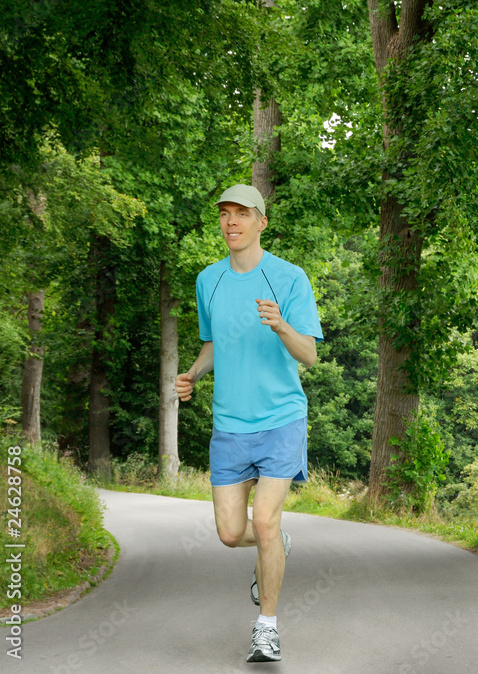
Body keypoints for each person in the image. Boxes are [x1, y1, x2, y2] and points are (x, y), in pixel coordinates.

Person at [175, 184, 322, 663]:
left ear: (262, 222)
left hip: (281, 418)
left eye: (242, 214)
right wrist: (192, 374)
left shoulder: (290, 277)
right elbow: (213, 343)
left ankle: (267, 629)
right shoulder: (208, 280)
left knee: (263, 521)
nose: (231, 222)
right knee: (230, 531)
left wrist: (282, 326)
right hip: (230, 425)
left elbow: (310, 354)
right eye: (225, 214)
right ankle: (275, 543)